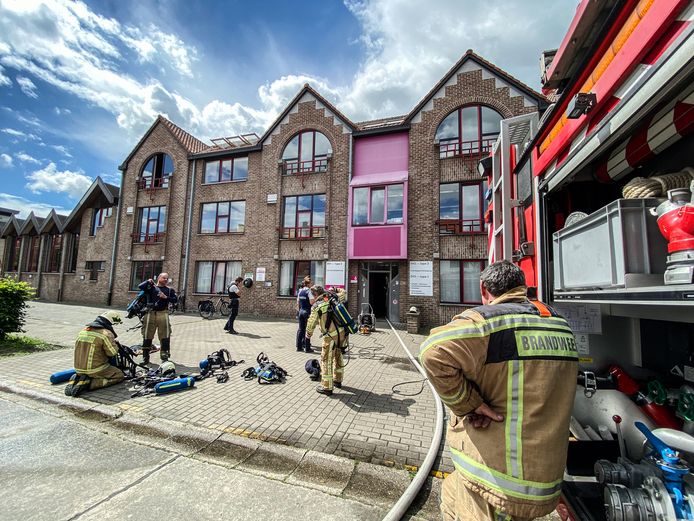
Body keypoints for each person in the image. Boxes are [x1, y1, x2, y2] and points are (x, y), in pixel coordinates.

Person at [419, 260, 578, 521]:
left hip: (496, 477)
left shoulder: (489, 322)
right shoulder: (560, 324)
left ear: (483, 289)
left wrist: (469, 404)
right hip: (545, 476)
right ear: (522, 287)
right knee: (449, 492)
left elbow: (432, 352)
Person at [65, 310, 125, 397]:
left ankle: (77, 379)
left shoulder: (83, 331)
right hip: (95, 369)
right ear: (109, 322)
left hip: (78, 369)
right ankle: (89, 383)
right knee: (119, 375)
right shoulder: (105, 334)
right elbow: (112, 353)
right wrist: (114, 344)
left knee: (87, 372)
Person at [306, 285, 348, 396]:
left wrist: (308, 334)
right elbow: (344, 292)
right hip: (342, 335)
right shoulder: (334, 297)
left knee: (326, 360)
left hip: (330, 337)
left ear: (315, 294)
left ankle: (327, 387)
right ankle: (337, 380)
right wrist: (335, 289)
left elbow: (311, 322)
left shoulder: (317, 305)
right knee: (338, 356)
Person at [139, 272, 177, 362]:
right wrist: (148, 281)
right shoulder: (151, 288)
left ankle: (164, 357)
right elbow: (140, 287)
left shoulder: (169, 290)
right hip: (150, 314)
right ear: (159, 278)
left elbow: (175, 300)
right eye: (164, 278)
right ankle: (145, 357)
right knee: (147, 335)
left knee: (165, 335)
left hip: (163, 314)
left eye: (167, 278)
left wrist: (165, 297)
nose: (166, 280)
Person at [296, 276, 314, 352]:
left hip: (301, 312)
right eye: (311, 283)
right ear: (309, 284)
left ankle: (299, 347)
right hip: (307, 312)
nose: (312, 284)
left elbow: (298, 302)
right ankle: (307, 347)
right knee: (307, 329)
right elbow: (311, 302)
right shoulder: (309, 291)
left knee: (301, 329)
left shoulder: (300, 291)